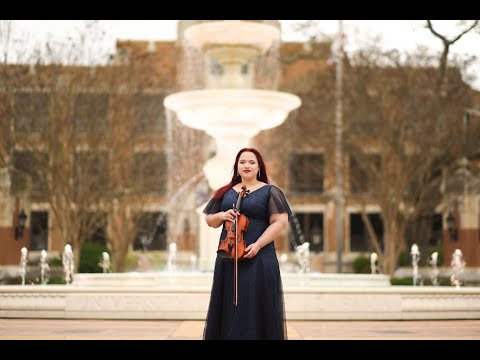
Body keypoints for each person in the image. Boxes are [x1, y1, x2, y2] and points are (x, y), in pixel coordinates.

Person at [202, 147, 292, 340]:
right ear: (237, 167)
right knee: (230, 308)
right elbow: (210, 221)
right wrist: (222, 215)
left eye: (251, 162)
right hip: (229, 257)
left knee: (255, 307)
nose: (247, 165)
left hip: (260, 257)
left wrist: (258, 245)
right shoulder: (225, 192)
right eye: (242, 162)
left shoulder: (270, 191)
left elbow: (280, 222)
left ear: (259, 167)